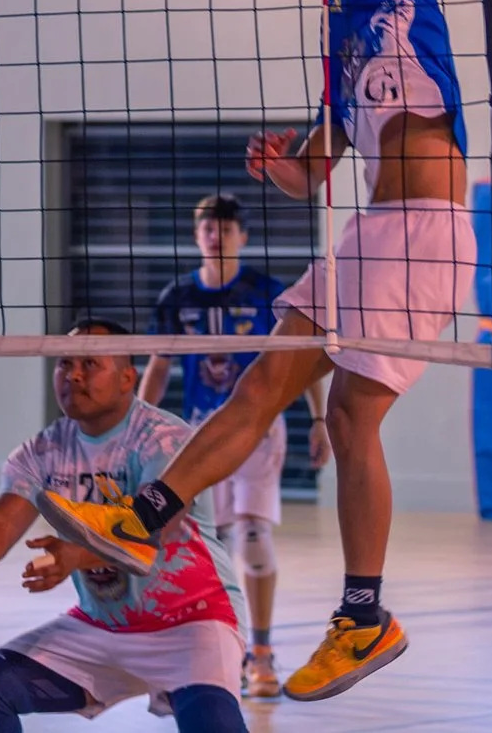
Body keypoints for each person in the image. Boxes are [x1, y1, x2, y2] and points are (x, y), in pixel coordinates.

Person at [37, 0, 471, 702]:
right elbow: (314, 174)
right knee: (259, 388)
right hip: (365, 235)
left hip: (424, 235)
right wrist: (278, 165)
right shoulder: (345, 60)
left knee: (354, 418)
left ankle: (365, 614)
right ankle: (145, 516)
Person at [0, 319, 247, 733]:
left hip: (193, 623)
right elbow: (1, 523)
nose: (73, 374)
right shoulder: (44, 451)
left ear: (128, 378)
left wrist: (75, 556)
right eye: (64, 363)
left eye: (89, 363)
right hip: (102, 626)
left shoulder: (164, 438)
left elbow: (152, 530)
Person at [139, 193, 330, 698]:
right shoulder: (176, 299)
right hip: (200, 431)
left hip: (259, 428)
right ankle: (193, 656)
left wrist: (319, 418)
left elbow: (303, 358)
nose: (215, 233)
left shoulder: (268, 294)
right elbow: (158, 368)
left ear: (242, 236)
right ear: (195, 234)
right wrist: (139, 429)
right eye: (206, 225)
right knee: (196, 544)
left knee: (250, 536)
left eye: (225, 226)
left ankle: (261, 655)